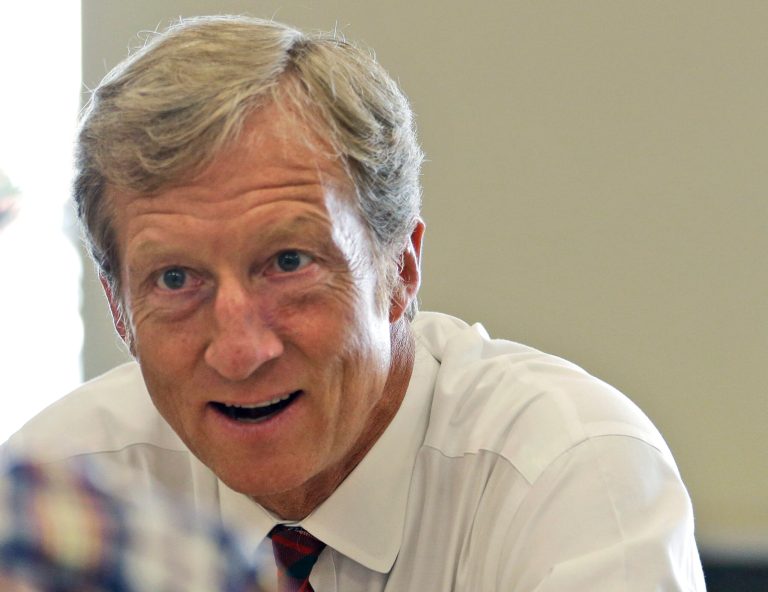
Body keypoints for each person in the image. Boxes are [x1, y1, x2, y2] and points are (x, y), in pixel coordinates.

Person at [4, 15, 705, 591]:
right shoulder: (64, 489)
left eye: (288, 263)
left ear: (400, 268)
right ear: (119, 309)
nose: (241, 350)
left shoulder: (572, 473)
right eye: (177, 281)